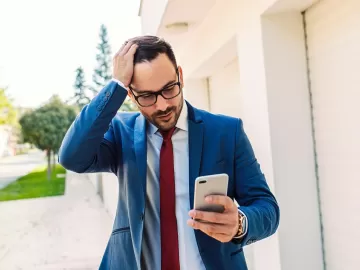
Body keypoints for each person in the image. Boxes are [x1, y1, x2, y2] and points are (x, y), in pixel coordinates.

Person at [58, 35, 280, 270]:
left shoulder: (226, 131)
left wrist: (240, 223)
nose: (162, 105)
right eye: (147, 96)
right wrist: (115, 87)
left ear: (180, 77)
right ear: (131, 95)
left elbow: (267, 208)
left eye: (168, 89)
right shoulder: (121, 132)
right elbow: (72, 157)